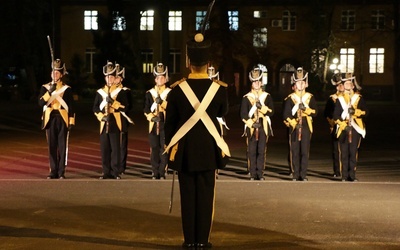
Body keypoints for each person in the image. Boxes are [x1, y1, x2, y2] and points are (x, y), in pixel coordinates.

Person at [164, 32, 230, 249]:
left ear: (188, 62)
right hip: (209, 151)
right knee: (205, 197)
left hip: (184, 153)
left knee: (188, 198)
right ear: (208, 63)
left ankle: (189, 241)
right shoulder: (219, 90)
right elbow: (223, 111)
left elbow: (169, 125)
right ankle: (202, 241)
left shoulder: (175, 91)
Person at [38, 59, 75, 179]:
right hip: (50, 118)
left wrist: (71, 121)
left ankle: (61, 172)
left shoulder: (66, 89)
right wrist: (49, 92)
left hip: (62, 118)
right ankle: (53, 171)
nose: (55, 75)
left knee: (62, 146)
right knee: (51, 146)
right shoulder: (45, 88)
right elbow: (40, 103)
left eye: (57, 73)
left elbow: (71, 106)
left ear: (61, 75)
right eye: (53, 72)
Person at [93, 61, 128, 180]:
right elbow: (95, 107)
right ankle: (105, 172)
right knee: (105, 148)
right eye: (107, 77)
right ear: (105, 78)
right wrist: (101, 116)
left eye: (112, 77)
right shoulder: (100, 92)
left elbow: (125, 106)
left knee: (115, 149)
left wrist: (113, 103)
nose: (109, 79)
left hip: (115, 121)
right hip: (104, 121)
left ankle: (115, 172)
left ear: (114, 78)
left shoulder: (120, 92)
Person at [283, 67, 318, 181]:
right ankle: (295, 173)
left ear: (306, 84)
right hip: (294, 126)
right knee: (294, 150)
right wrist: (293, 123)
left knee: (304, 151)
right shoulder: (290, 98)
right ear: (295, 84)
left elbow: (315, 112)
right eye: (298, 82)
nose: (301, 85)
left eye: (303, 82)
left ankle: (303, 175)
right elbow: (286, 114)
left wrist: (306, 110)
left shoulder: (310, 97)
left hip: (306, 125)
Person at [332, 72, 368, 182]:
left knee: (353, 152)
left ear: (353, 85)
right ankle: (344, 175)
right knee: (344, 153)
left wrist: (356, 111)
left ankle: (352, 175)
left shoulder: (359, 98)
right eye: (345, 83)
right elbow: (335, 115)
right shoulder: (340, 99)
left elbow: (366, 112)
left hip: (356, 128)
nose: (348, 85)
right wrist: (343, 125)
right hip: (344, 128)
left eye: (349, 83)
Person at [240, 66, 274, 181]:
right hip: (251, 127)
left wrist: (262, 108)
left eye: (258, 81)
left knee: (261, 150)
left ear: (261, 83)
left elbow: (271, 111)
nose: (256, 83)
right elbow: (243, 114)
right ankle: (252, 173)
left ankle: (260, 173)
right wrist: (251, 123)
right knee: (251, 151)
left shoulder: (267, 96)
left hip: (263, 126)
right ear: (252, 83)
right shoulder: (246, 98)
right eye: (254, 81)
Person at [144, 63, 171, 180]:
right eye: (158, 77)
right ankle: (155, 172)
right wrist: (151, 117)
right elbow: (146, 109)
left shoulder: (170, 93)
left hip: (165, 123)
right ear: (155, 79)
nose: (160, 79)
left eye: (162, 77)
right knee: (154, 148)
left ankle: (162, 171)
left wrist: (163, 103)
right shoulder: (150, 93)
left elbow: (172, 108)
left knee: (163, 148)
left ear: (165, 79)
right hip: (154, 123)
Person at [324, 73, 345, 178]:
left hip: (347, 125)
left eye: (341, 84)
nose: (339, 86)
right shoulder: (332, 98)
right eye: (337, 85)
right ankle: (337, 171)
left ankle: (347, 170)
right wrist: (332, 123)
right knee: (336, 149)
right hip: (336, 125)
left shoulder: (350, 98)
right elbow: (327, 113)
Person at [115, 63, 134, 175]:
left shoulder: (126, 90)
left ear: (121, 79)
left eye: (117, 77)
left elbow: (129, 105)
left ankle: (121, 167)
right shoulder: (107, 90)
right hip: (112, 119)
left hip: (122, 119)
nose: (115, 79)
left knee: (122, 144)